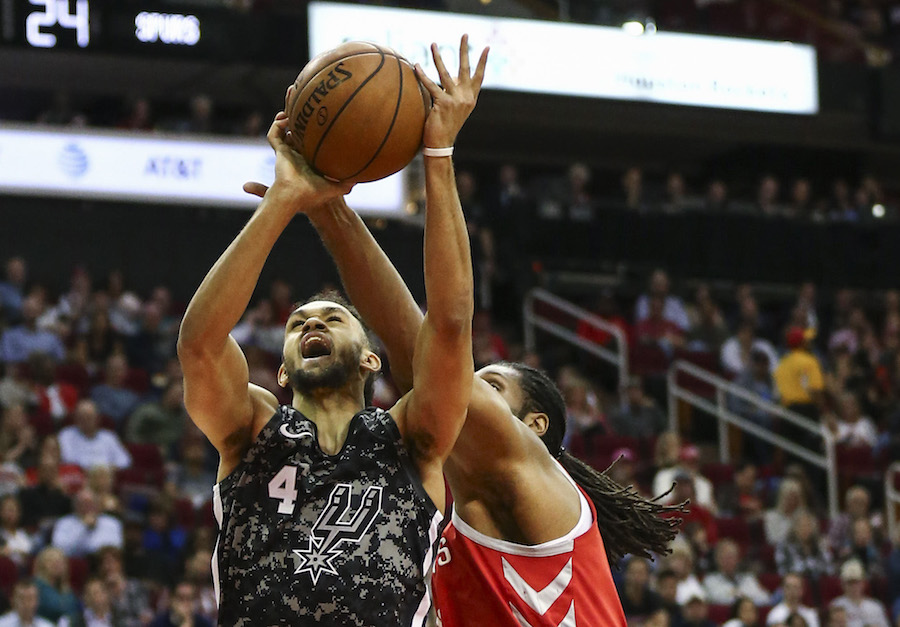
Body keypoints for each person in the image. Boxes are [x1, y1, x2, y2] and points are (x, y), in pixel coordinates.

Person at [302, 53, 685, 627]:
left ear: (534, 428)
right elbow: (410, 340)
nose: (467, 383)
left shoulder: (532, 479)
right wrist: (326, 204)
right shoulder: (451, 498)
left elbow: (429, 334)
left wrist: (436, 156)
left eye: (490, 383)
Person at [176, 37, 485, 625]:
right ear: (284, 366)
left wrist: (438, 156)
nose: (312, 321)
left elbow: (449, 325)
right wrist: (284, 201)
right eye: (298, 324)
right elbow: (199, 344)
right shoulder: (251, 429)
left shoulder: (413, 437)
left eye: (333, 318)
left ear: (373, 360)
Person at [58, 399, 131, 470]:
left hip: (106, 477)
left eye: (88, 417)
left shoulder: (109, 437)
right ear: (75, 418)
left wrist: (107, 469)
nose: (85, 421)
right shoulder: (66, 435)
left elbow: (125, 461)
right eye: (81, 417)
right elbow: (68, 460)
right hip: (79, 477)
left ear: (97, 418)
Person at [829, 559, 890, 627]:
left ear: (863, 583)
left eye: (857, 582)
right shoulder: (837, 605)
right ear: (843, 584)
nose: (854, 586)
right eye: (850, 583)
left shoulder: (875, 606)